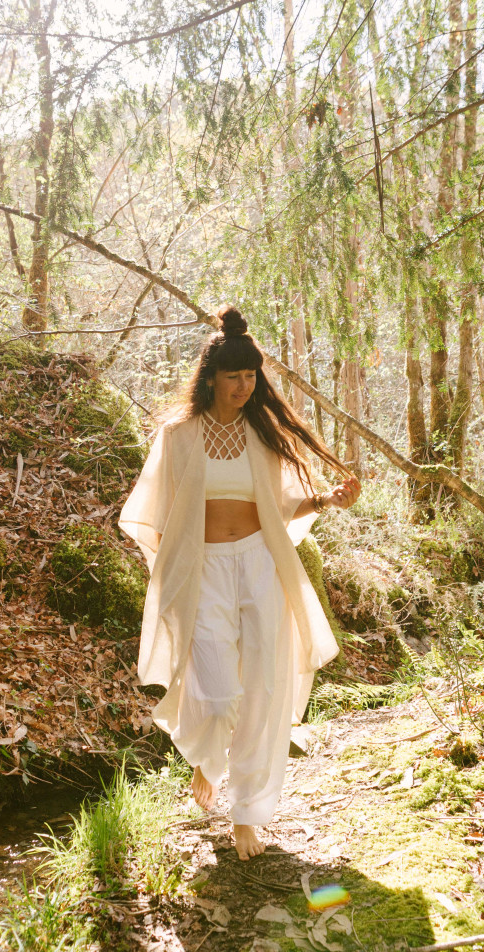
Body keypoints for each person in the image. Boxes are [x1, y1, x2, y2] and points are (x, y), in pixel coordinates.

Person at [119, 305, 360, 860]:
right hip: (202, 568)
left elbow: (285, 504)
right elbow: (151, 516)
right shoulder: (178, 436)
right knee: (217, 691)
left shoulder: (264, 434)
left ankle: (247, 813)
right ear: (211, 378)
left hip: (259, 563)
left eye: (251, 376)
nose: (244, 387)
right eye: (234, 377)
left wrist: (327, 499)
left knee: (264, 689)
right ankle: (207, 759)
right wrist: (174, 569)